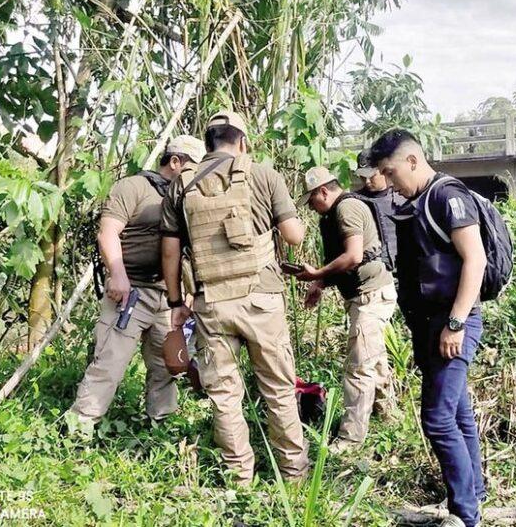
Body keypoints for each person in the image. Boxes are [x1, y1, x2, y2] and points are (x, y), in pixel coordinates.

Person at [159, 111, 309, 485]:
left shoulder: (181, 185)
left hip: (212, 304)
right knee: (278, 390)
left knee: (225, 395)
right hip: (261, 300)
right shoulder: (263, 174)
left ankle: (239, 478)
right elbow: (293, 236)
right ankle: (294, 475)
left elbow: (170, 254)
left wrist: (177, 304)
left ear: (207, 142)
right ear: (242, 141)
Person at [368, 129, 488, 527]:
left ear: (413, 161)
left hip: (454, 321)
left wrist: (455, 323)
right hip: (434, 322)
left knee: (437, 419)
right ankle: (475, 494)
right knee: (458, 413)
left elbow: (476, 260)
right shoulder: (419, 200)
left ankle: (465, 515)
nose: (387, 181)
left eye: (390, 171)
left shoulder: (446, 196)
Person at [69, 135, 205, 429]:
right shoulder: (133, 187)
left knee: (166, 366)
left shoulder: (187, 197)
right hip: (130, 292)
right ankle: (79, 429)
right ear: (175, 162)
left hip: (167, 296)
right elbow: (108, 233)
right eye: (193, 167)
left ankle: (161, 425)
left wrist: (187, 294)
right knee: (109, 363)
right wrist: (117, 275)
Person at [293, 167, 398, 455]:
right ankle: (389, 416)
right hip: (367, 294)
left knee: (358, 367)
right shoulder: (338, 211)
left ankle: (350, 440)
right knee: (373, 358)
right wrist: (320, 282)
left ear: (323, 191)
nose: (312, 209)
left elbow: (353, 256)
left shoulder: (347, 208)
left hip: (371, 296)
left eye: (312, 201)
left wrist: (317, 273)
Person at [354, 150, 406, 267]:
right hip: (375, 273)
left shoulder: (403, 196)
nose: (367, 181)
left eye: (371, 176)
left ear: (382, 170)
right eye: (362, 177)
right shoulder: (355, 201)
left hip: (403, 268)